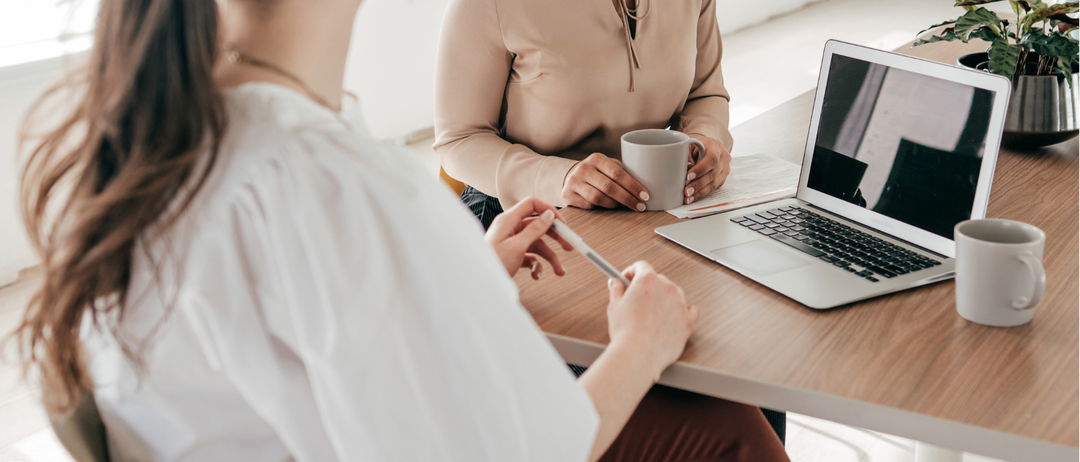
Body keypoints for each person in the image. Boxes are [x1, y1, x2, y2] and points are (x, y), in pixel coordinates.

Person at [14, 0, 788, 461]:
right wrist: (642, 342)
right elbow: (526, 451)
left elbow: (305, 335)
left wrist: (463, 274)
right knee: (733, 432)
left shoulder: (164, 134)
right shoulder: (330, 181)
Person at [434, 0, 735, 228]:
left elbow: (705, 92)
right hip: (520, 211)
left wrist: (705, 141)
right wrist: (559, 178)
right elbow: (459, 139)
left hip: (652, 204)